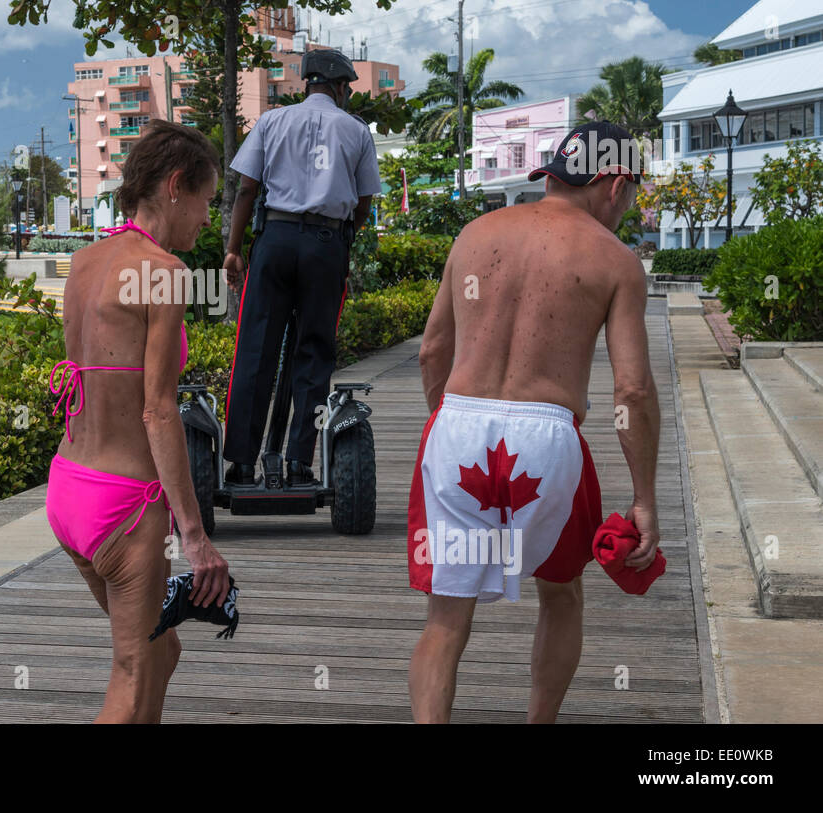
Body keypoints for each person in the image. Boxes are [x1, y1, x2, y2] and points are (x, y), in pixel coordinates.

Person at [408, 121, 662, 723]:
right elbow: (631, 389)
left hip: (458, 426)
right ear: (615, 183)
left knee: (447, 616)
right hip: (548, 435)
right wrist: (645, 498)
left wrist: (446, 428)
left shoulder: (475, 233)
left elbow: (430, 352)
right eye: (631, 196)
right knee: (562, 592)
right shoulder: (616, 261)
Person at [46, 118, 232, 723]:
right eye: (207, 202)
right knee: (132, 667)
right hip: (124, 504)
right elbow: (157, 410)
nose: (208, 220)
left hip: (69, 489)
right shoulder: (165, 273)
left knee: (161, 649)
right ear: (176, 186)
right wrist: (196, 537)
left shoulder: (82, 264)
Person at [221, 48, 380, 485]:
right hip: (326, 244)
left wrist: (234, 249)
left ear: (306, 83)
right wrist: (341, 240)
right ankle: (298, 462)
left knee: (256, 348)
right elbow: (363, 202)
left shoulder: (272, 122)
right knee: (314, 352)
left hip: (275, 238)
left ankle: (239, 464)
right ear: (341, 87)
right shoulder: (355, 130)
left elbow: (246, 190)